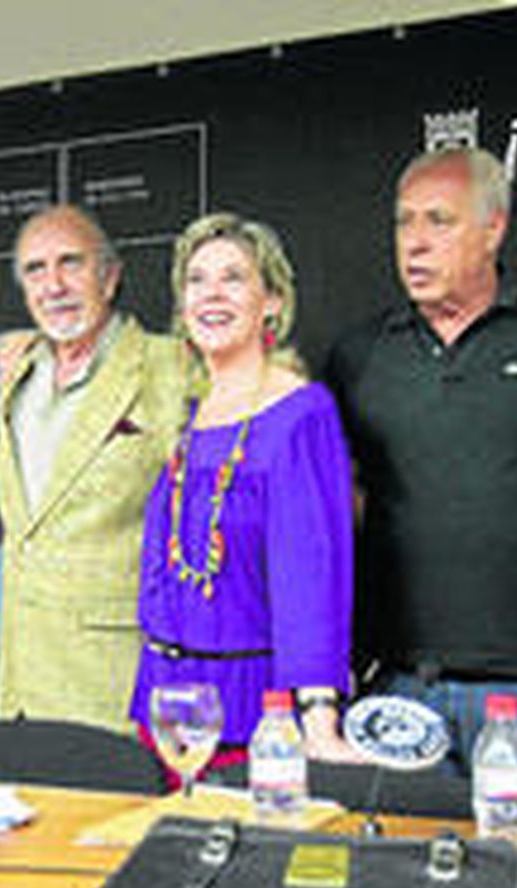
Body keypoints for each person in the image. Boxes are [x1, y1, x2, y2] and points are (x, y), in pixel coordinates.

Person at [325, 147, 517, 826]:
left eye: (438, 221)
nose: (414, 242)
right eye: (404, 222)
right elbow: (328, 510)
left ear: (494, 228)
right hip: (401, 689)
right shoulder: (359, 354)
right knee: (403, 882)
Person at [131, 212, 355, 771]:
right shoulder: (184, 409)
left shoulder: (299, 413)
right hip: (161, 712)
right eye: (196, 280)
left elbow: (311, 577)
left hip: (251, 721)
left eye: (233, 277)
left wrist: (319, 720)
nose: (211, 294)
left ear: (272, 301)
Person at [0, 204, 190, 731]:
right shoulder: (13, 374)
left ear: (110, 276)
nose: (53, 285)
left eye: (70, 263)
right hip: (19, 682)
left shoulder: (173, 366)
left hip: (116, 679)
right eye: (35, 270)